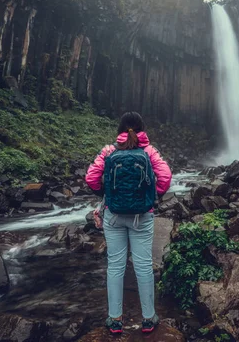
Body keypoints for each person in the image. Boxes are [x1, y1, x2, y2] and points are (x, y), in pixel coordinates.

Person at [85, 111, 172, 335]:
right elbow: (165, 176)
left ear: (119, 130)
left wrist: (106, 195)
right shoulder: (149, 151)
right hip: (142, 216)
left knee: (115, 265)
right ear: (142, 129)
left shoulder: (109, 150)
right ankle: (148, 318)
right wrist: (152, 197)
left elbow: (91, 177)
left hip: (113, 215)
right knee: (143, 265)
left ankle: (115, 320)